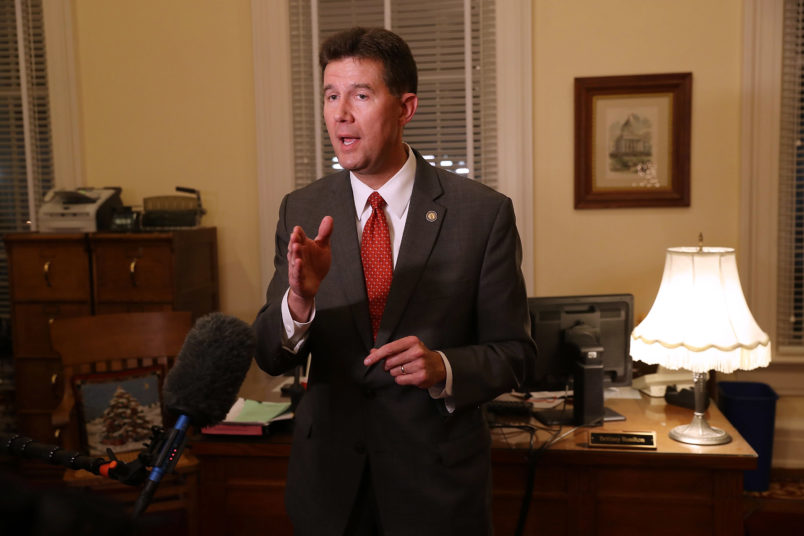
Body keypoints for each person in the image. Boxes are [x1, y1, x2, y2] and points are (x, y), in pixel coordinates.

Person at [254, 27, 538, 536]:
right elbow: (270, 355)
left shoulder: (482, 214)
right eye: (331, 95)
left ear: (406, 108)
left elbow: (515, 353)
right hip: (329, 490)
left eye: (360, 96)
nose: (341, 113)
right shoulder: (302, 209)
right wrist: (299, 301)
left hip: (435, 490)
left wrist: (444, 367)